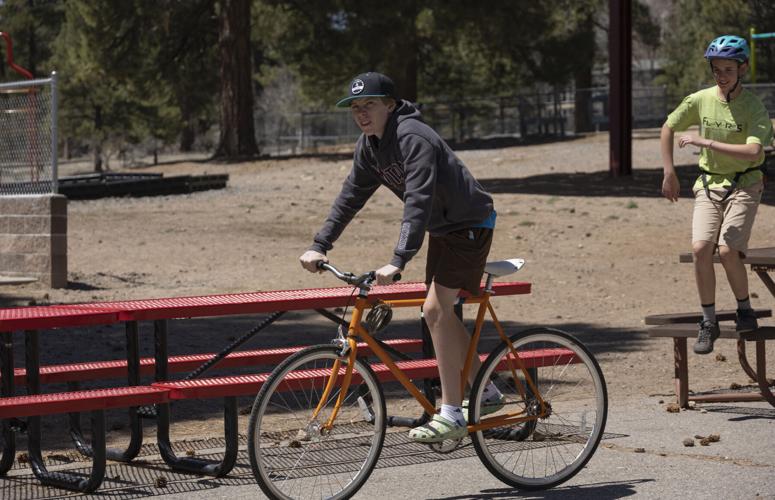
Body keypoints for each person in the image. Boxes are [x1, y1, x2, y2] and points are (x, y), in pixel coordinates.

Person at [299, 72, 502, 442]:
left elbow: (418, 199)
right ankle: (486, 391)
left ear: (390, 105)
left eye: (370, 105)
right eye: (355, 108)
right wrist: (320, 244)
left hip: (470, 223)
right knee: (439, 313)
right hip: (445, 230)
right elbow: (350, 198)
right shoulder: (370, 146)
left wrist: (399, 258)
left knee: (434, 311)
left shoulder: (413, 137)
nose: (362, 114)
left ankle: (452, 413)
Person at [660, 35, 773, 355]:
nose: (722, 75)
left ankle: (744, 309)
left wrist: (705, 143)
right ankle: (708, 321)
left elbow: (753, 152)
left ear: (743, 69)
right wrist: (668, 171)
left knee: (727, 250)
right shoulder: (700, 99)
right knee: (700, 248)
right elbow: (668, 127)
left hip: (746, 184)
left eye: (728, 69)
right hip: (709, 185)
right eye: (716, 69)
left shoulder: (753, 107)